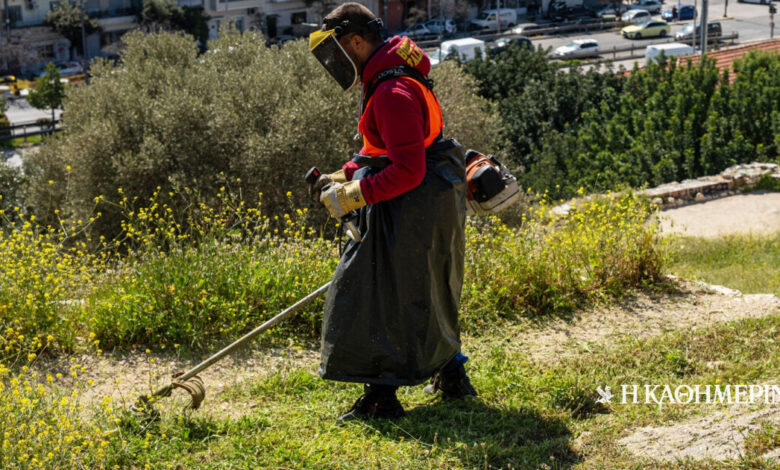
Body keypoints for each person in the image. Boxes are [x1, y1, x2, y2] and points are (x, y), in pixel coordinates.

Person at [307, 3, 476, 421]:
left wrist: (353, 196)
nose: (334, 61)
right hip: (430, 201)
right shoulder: (395, 75)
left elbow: (407, 169)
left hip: (410, 202)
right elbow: (386, 149)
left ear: (357, 42)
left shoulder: (391, 91)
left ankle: (381, 399)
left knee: (373, 294)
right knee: (428, 290)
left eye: (337, 50)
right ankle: (452, 374)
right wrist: (344, 173)